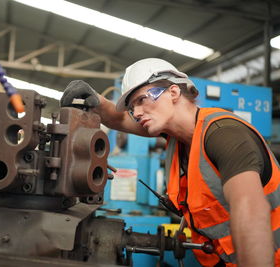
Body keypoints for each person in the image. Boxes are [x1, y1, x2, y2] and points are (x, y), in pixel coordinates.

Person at [60, 58, 280, 267]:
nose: (136, 113)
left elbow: (249, 210)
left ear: (173, 92)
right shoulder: (177, 139)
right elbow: (118, 118)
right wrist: (95, 100)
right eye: (132, 107)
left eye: (141, 100)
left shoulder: (223, 134)